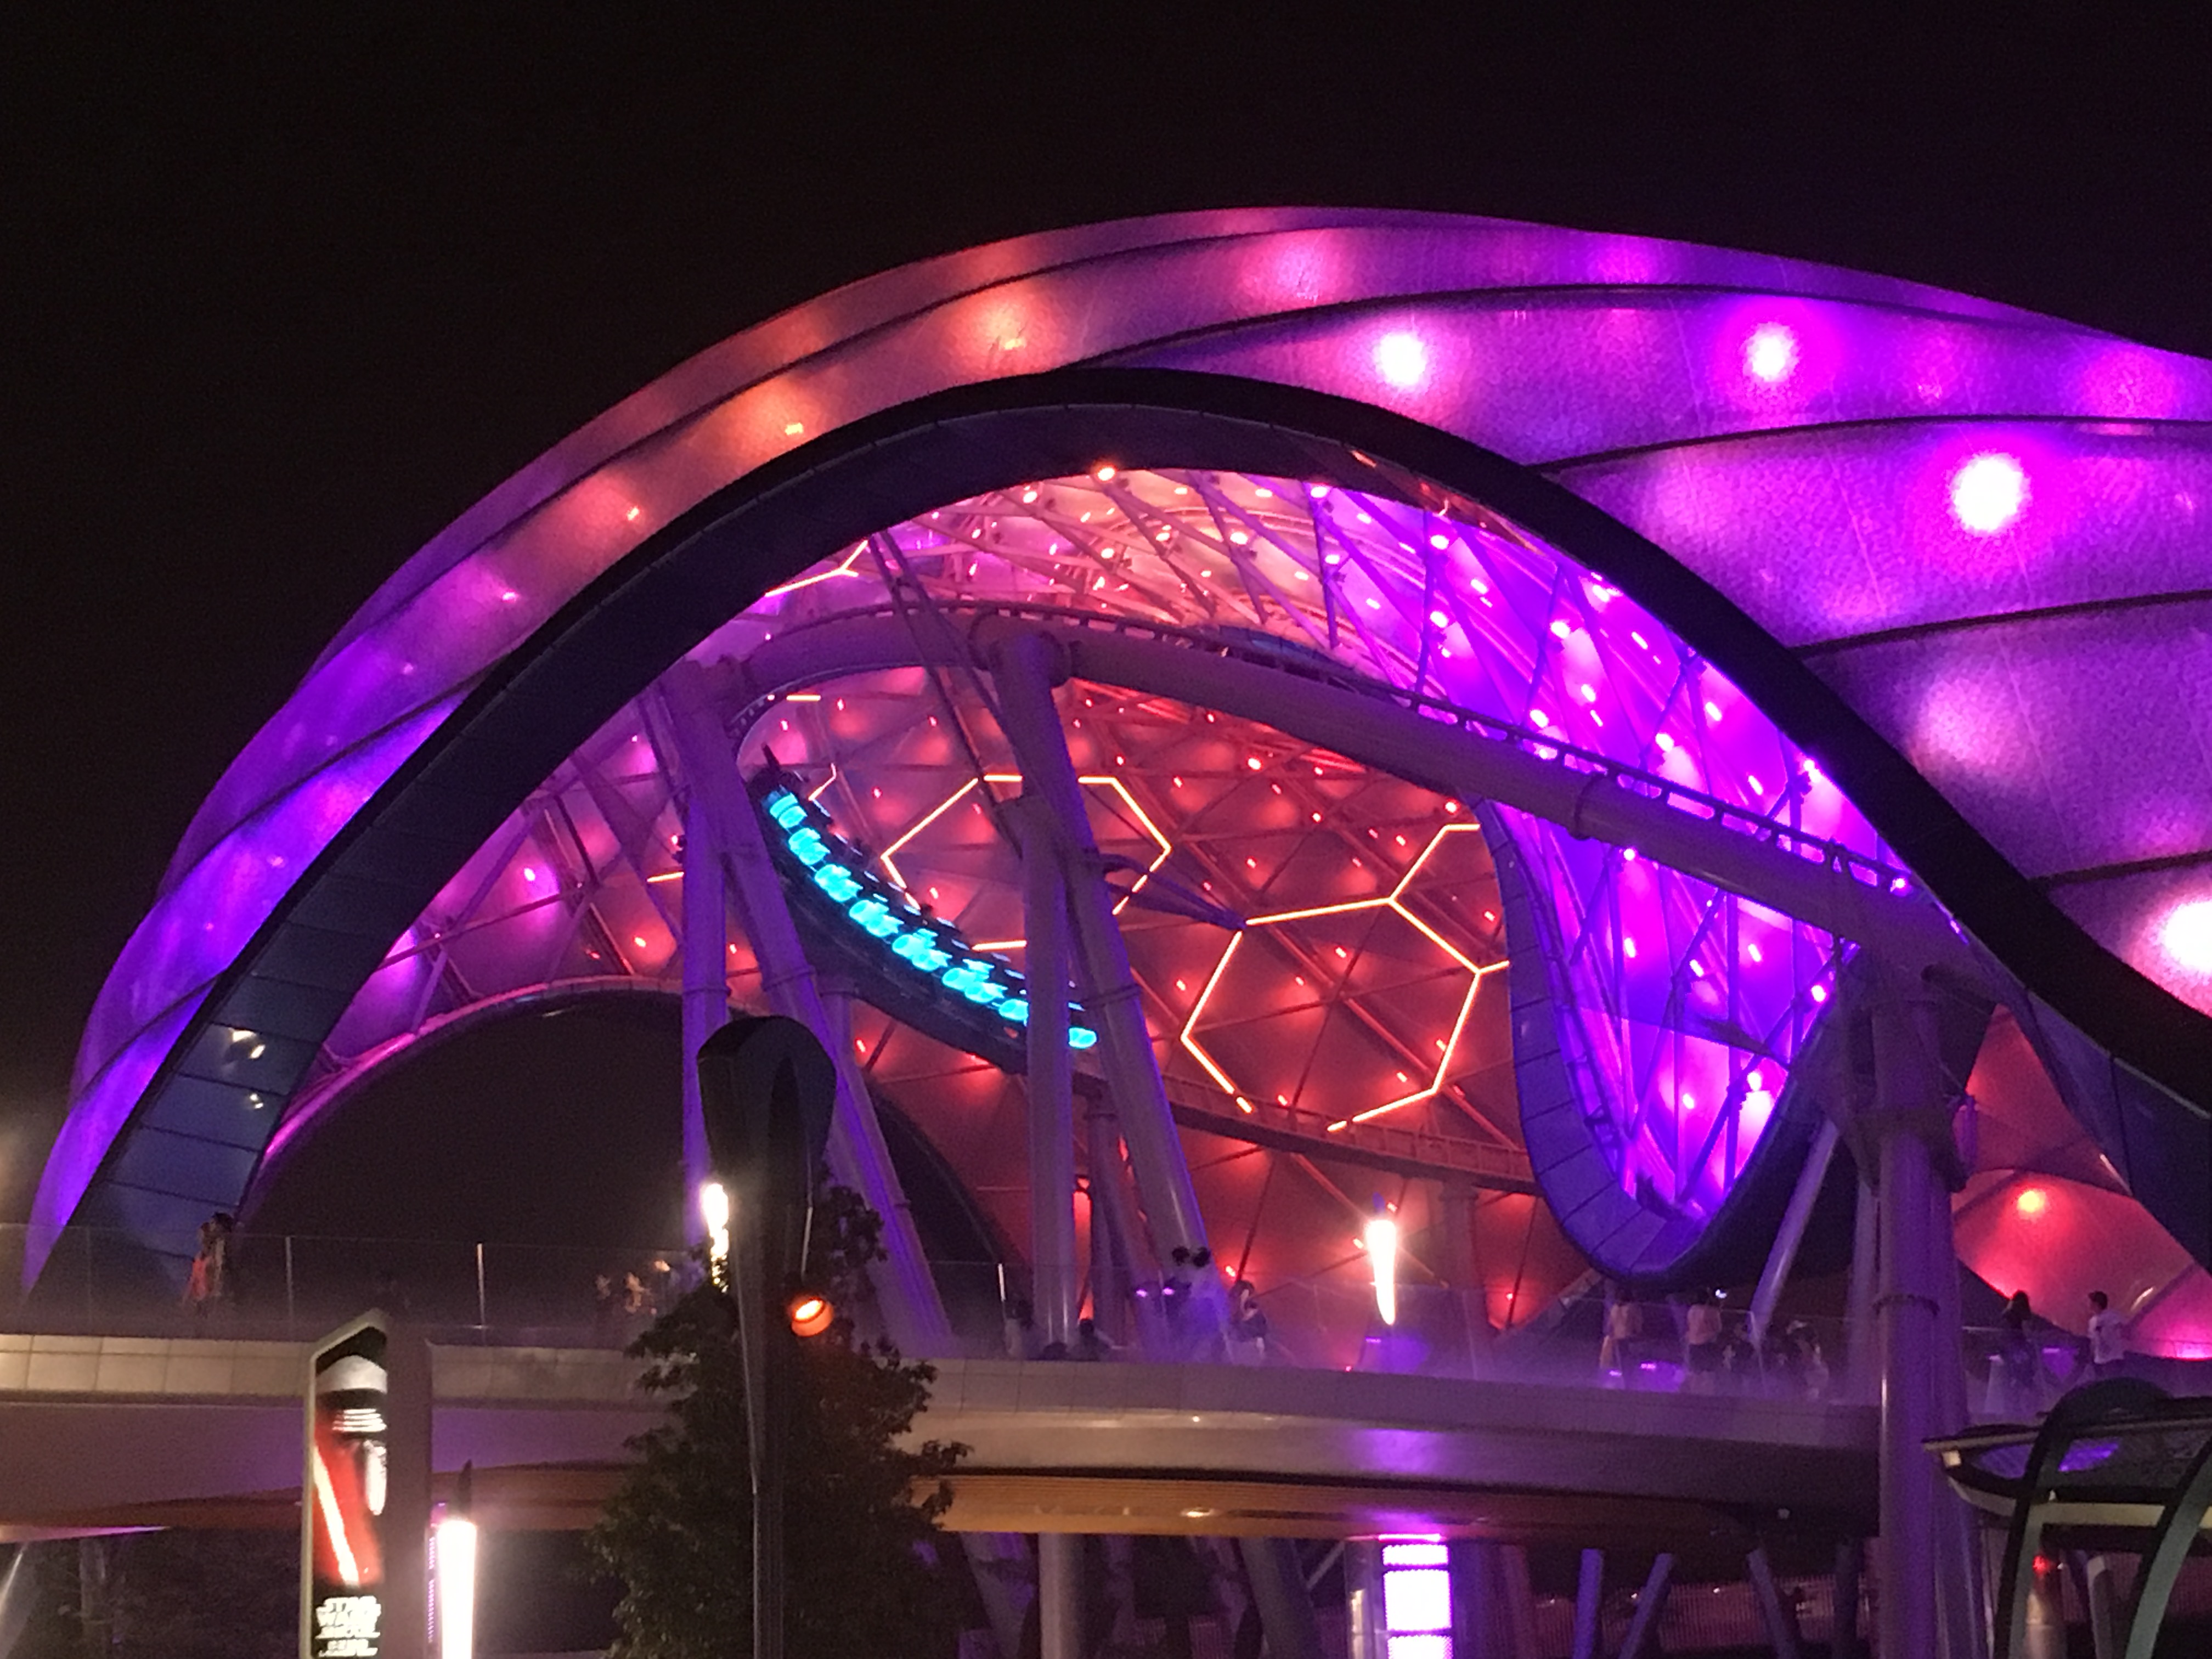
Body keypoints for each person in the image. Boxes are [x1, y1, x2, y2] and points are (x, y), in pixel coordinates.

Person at [1999, 1289, 2043, 1415]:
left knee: (2015, 1380)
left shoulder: (2006, 1315)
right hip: (2018, 1350)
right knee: (2025, 1379)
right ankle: (2030, 1407)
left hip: (2009, 1351)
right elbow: (2026, 1333)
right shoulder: (2020, 1316)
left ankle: (2014, 1408)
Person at [1683, 1293, 1724, 1393]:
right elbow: (1718, 1328)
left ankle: (1694, 1395)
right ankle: (1708, 1396)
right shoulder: (1711, 1311)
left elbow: (1689, 1325)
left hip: (1693, 1344)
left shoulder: (1692, 1310)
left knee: (1695, 1373)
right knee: (1709, 1375)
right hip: (1707, 1344)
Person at [1599, 1292, 1643, 1385]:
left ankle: (1624, 1380)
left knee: (1621, 1361)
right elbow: (1638, 1325)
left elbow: (1610, 1325)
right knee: (1627, 1362)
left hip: (1618, 1339)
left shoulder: (1615, 1308)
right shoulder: (1632, 1308)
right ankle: (1627, 1381)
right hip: (1626, 1338)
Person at [2086, 1290, 2129, 1380]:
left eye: (2090, 1302)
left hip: (2113, 1359)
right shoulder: (2092, 1321)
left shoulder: (2112, 1316)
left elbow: (2124, 1328)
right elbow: (2093, 1340)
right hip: (2099, 1360)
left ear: (2096, 1304)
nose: (2088, 1305)